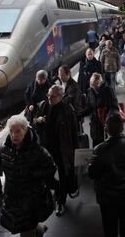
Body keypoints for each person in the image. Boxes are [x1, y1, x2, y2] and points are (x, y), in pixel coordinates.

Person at [0, 115, 56, 237]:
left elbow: (51, 167)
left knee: (26, 227)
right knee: (24, 225)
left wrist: (32, 174)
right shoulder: (4, 149)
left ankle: (36, 230)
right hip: (12, 197)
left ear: (25, 130)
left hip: (31, 199)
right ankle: (39, 230)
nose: (14, 135)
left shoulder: (37, 150)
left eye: (18, 131)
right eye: (11, 131)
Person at [88, 113, 125, 237]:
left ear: (105, 128)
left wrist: (89, 165)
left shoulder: (100, 149)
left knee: (110, 226)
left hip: (106, 195)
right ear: (122, 128)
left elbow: (93, 174)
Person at [34, 85, 79, 216]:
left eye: (52, 96)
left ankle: (61, 200)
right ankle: (57, 191)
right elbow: (34, 121)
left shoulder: (67, 110)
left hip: (62, 148)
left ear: (61, 96)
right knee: (48, 175)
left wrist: (75, 153)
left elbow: (73, 133)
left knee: (63, 175)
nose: (49, 98)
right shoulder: (44, 105)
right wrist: (39, 120)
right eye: (48, 95)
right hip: (46, 148)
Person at [79, 73, 119, 147]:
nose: (96, 86)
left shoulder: (108, 90)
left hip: (106, 123)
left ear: (101, 82)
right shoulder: (90, 92)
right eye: (94, 84)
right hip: (95, 124)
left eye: (97, 84)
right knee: (96, 144)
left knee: (107, 145)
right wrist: (78, 114)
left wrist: (109, 119)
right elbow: (89, 108)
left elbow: (114, 106)